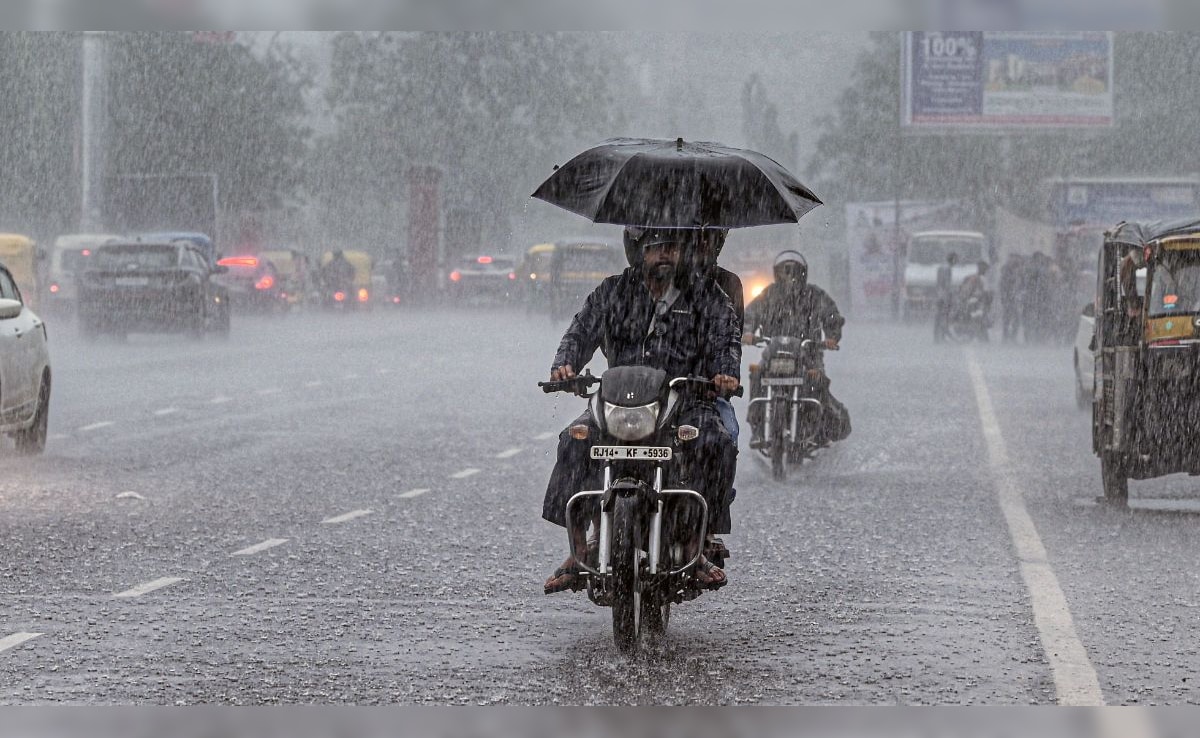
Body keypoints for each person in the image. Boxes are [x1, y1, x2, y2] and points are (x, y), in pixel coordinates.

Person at [542, 227, 741, 594]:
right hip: (618, 401)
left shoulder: (707, 295)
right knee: (574, 440)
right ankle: (579, 549)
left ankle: (695, 547)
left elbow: (726, 339)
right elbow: (579, 332)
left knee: (715, 443)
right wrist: (565, 366)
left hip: (685, 401)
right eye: (655, 248)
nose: (664, 255)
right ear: (638, 252)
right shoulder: (612, 292)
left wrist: (725, 372)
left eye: (671, 247)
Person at [742, 250, 850, 447]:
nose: (789, 276)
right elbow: (749, 315)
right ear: (777, 273)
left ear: (803, 273)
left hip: (809, 354)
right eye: (784, 271)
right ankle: (757, 429)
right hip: (774, 354)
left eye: (794, 271)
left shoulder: (815, 295)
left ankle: (816, 428)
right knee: (757, 375)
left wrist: (832, 338)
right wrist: (747, 332)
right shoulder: (767, 295)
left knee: (816, 382)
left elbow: (832, 316)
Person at [955, 260, 992, 341]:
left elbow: (962, 290)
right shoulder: (982, 279)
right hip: (978, 304)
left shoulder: (971, 277)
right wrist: (987, 304)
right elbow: (986, 294)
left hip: (970, 303)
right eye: (985, 268)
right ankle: (980, 338)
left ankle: (972, 336)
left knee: (973, 320)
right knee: (978, 321)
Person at [999, 253, 1025, 343]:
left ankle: (1011, 336)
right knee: (1008, 318)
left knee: (1015, 318)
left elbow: (1021, 284)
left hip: (1014, 298)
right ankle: (1006, 337)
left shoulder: (1018, 272)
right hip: (1009, 298)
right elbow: (1003, 286)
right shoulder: (1006, 271)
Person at [933, 251, 958, 343]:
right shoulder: (948, 269)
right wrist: (952, 293)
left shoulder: (941, 267)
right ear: (953, 260)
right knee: (944, 317)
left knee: (938, 316)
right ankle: (942, 336)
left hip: (939, 295)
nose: (956, 262)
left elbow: (938, 282)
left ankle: (937, 336)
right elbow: (947, 284)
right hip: (944, 296)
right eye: (956, 260)